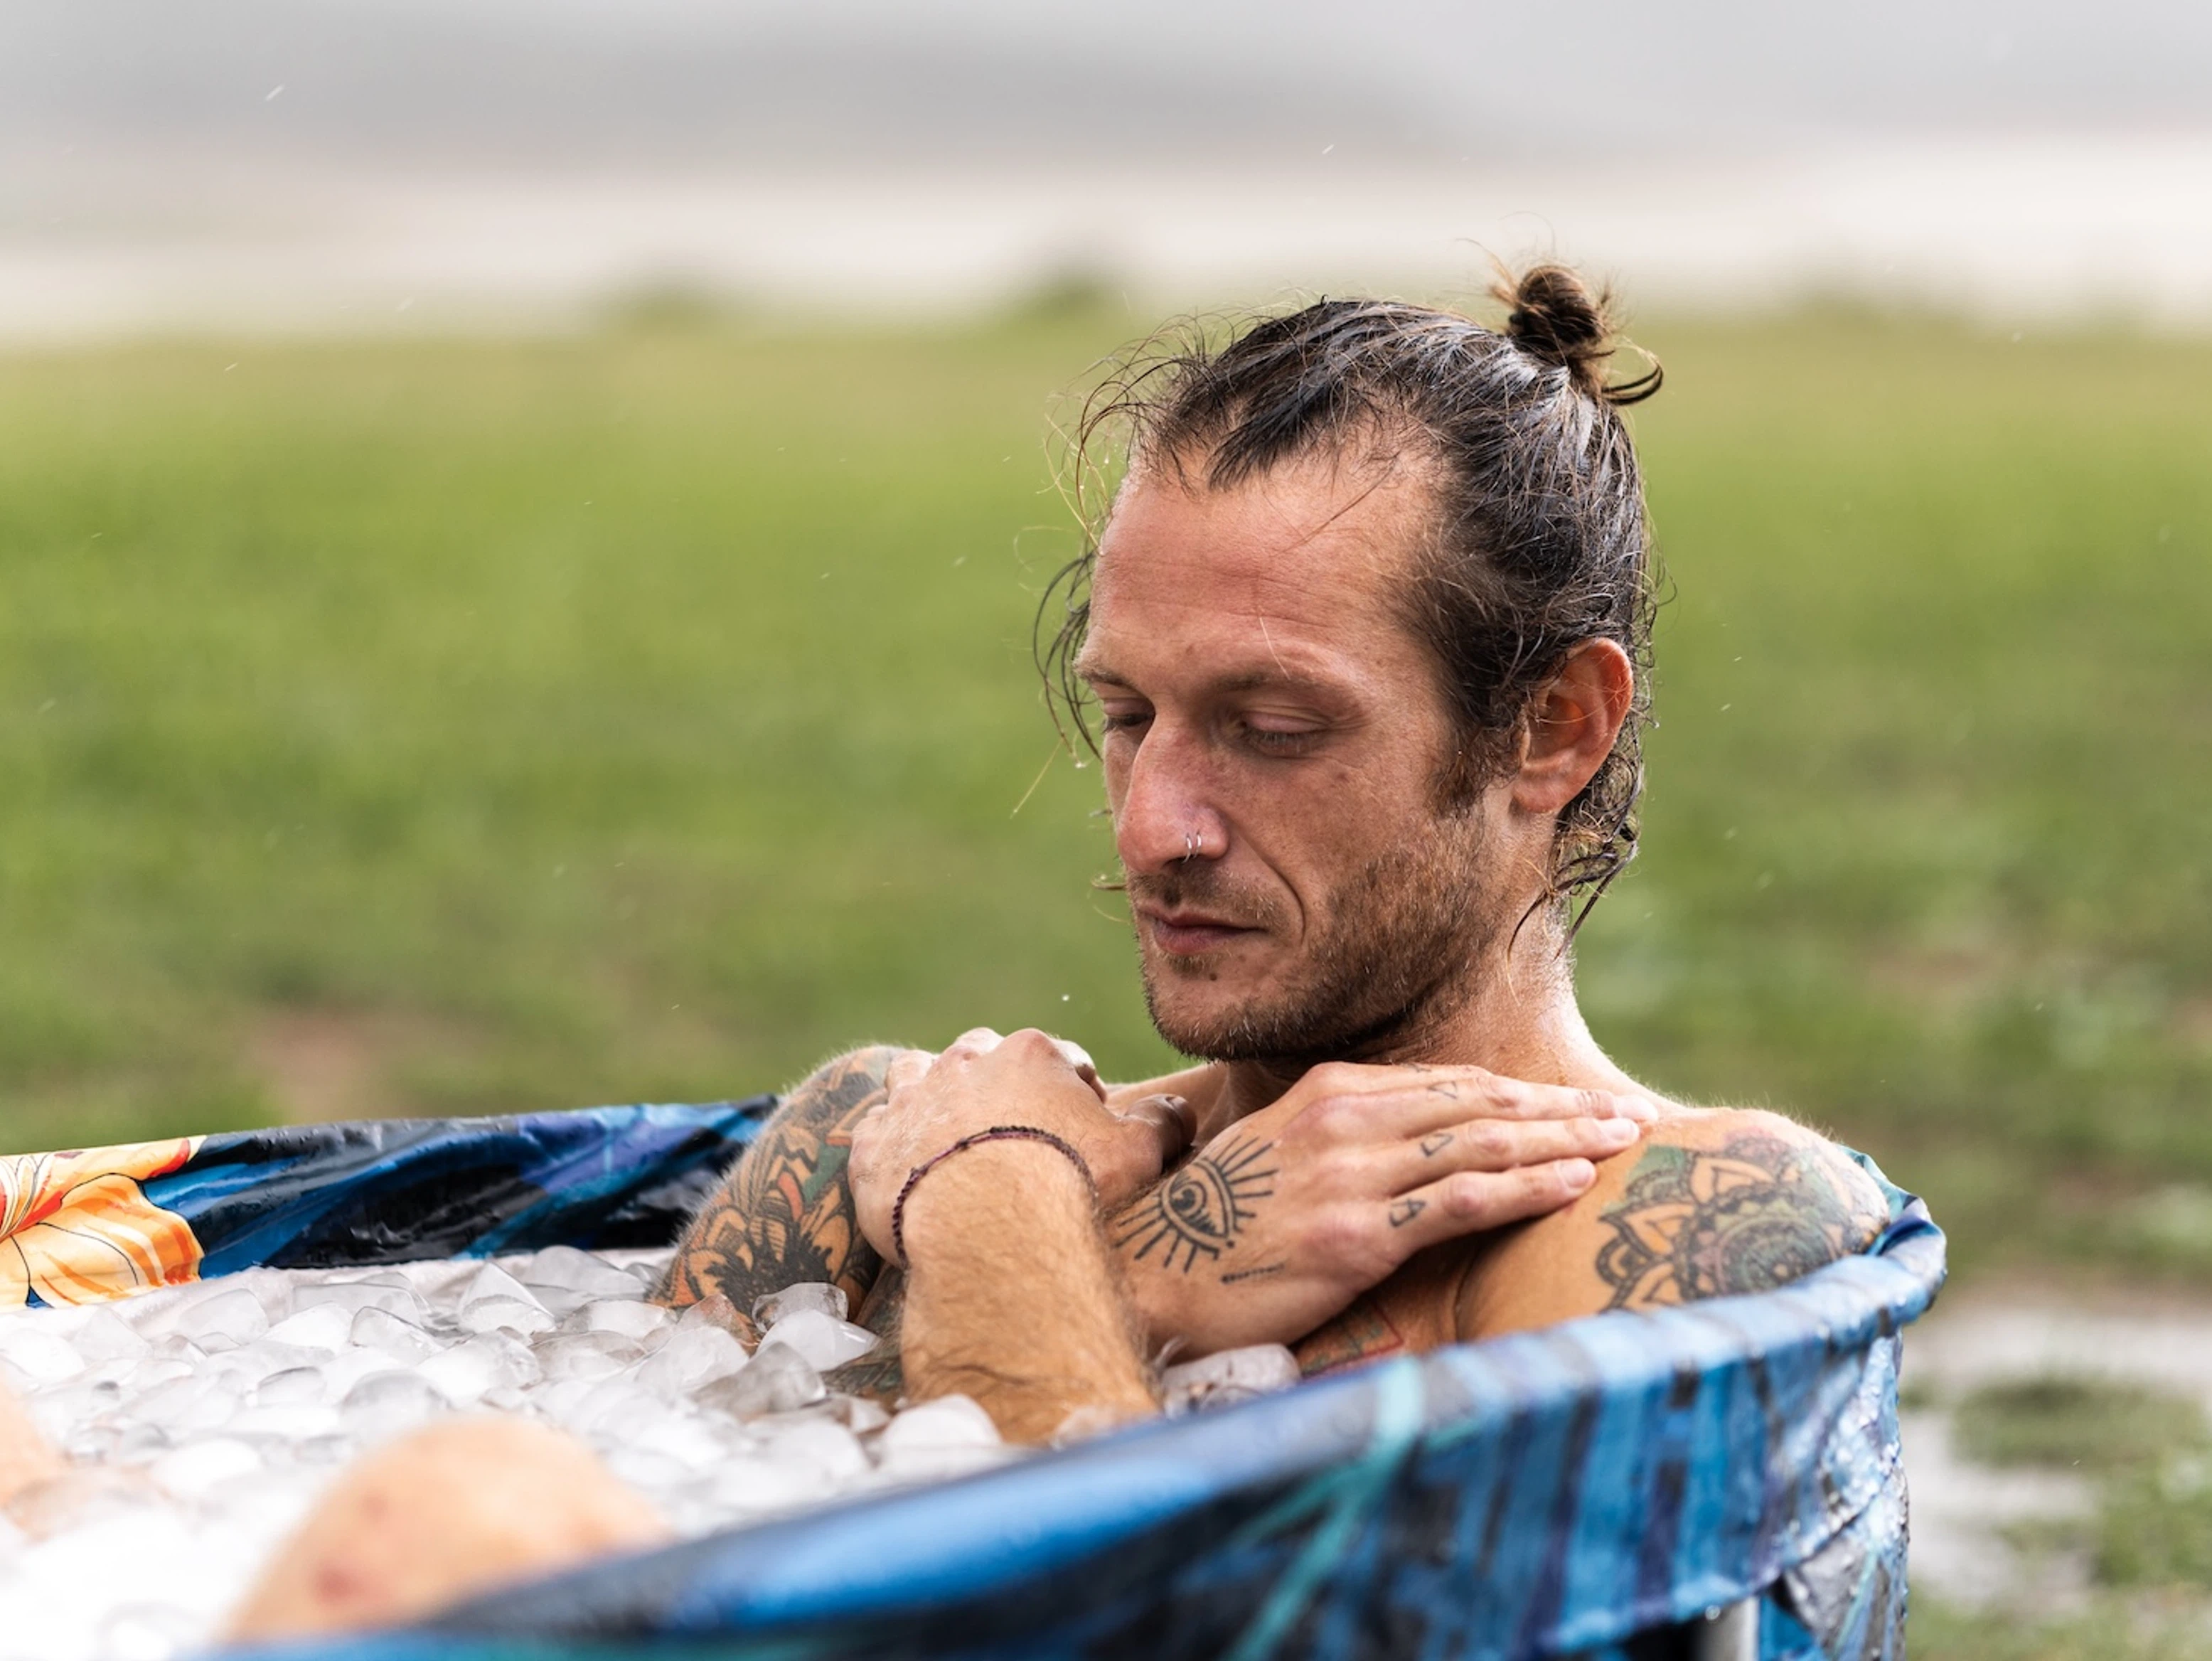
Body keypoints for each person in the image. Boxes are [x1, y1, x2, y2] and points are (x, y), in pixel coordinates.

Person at [656, 267, 1891, 1443]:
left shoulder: (1689, 1220)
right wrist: (1126, 1266)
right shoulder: (871, 1143)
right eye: (1129, 717)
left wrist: (1001, 1210)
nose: (1151, 829)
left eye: (1276, 731)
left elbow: (1119, 1622)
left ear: (1550, 730)